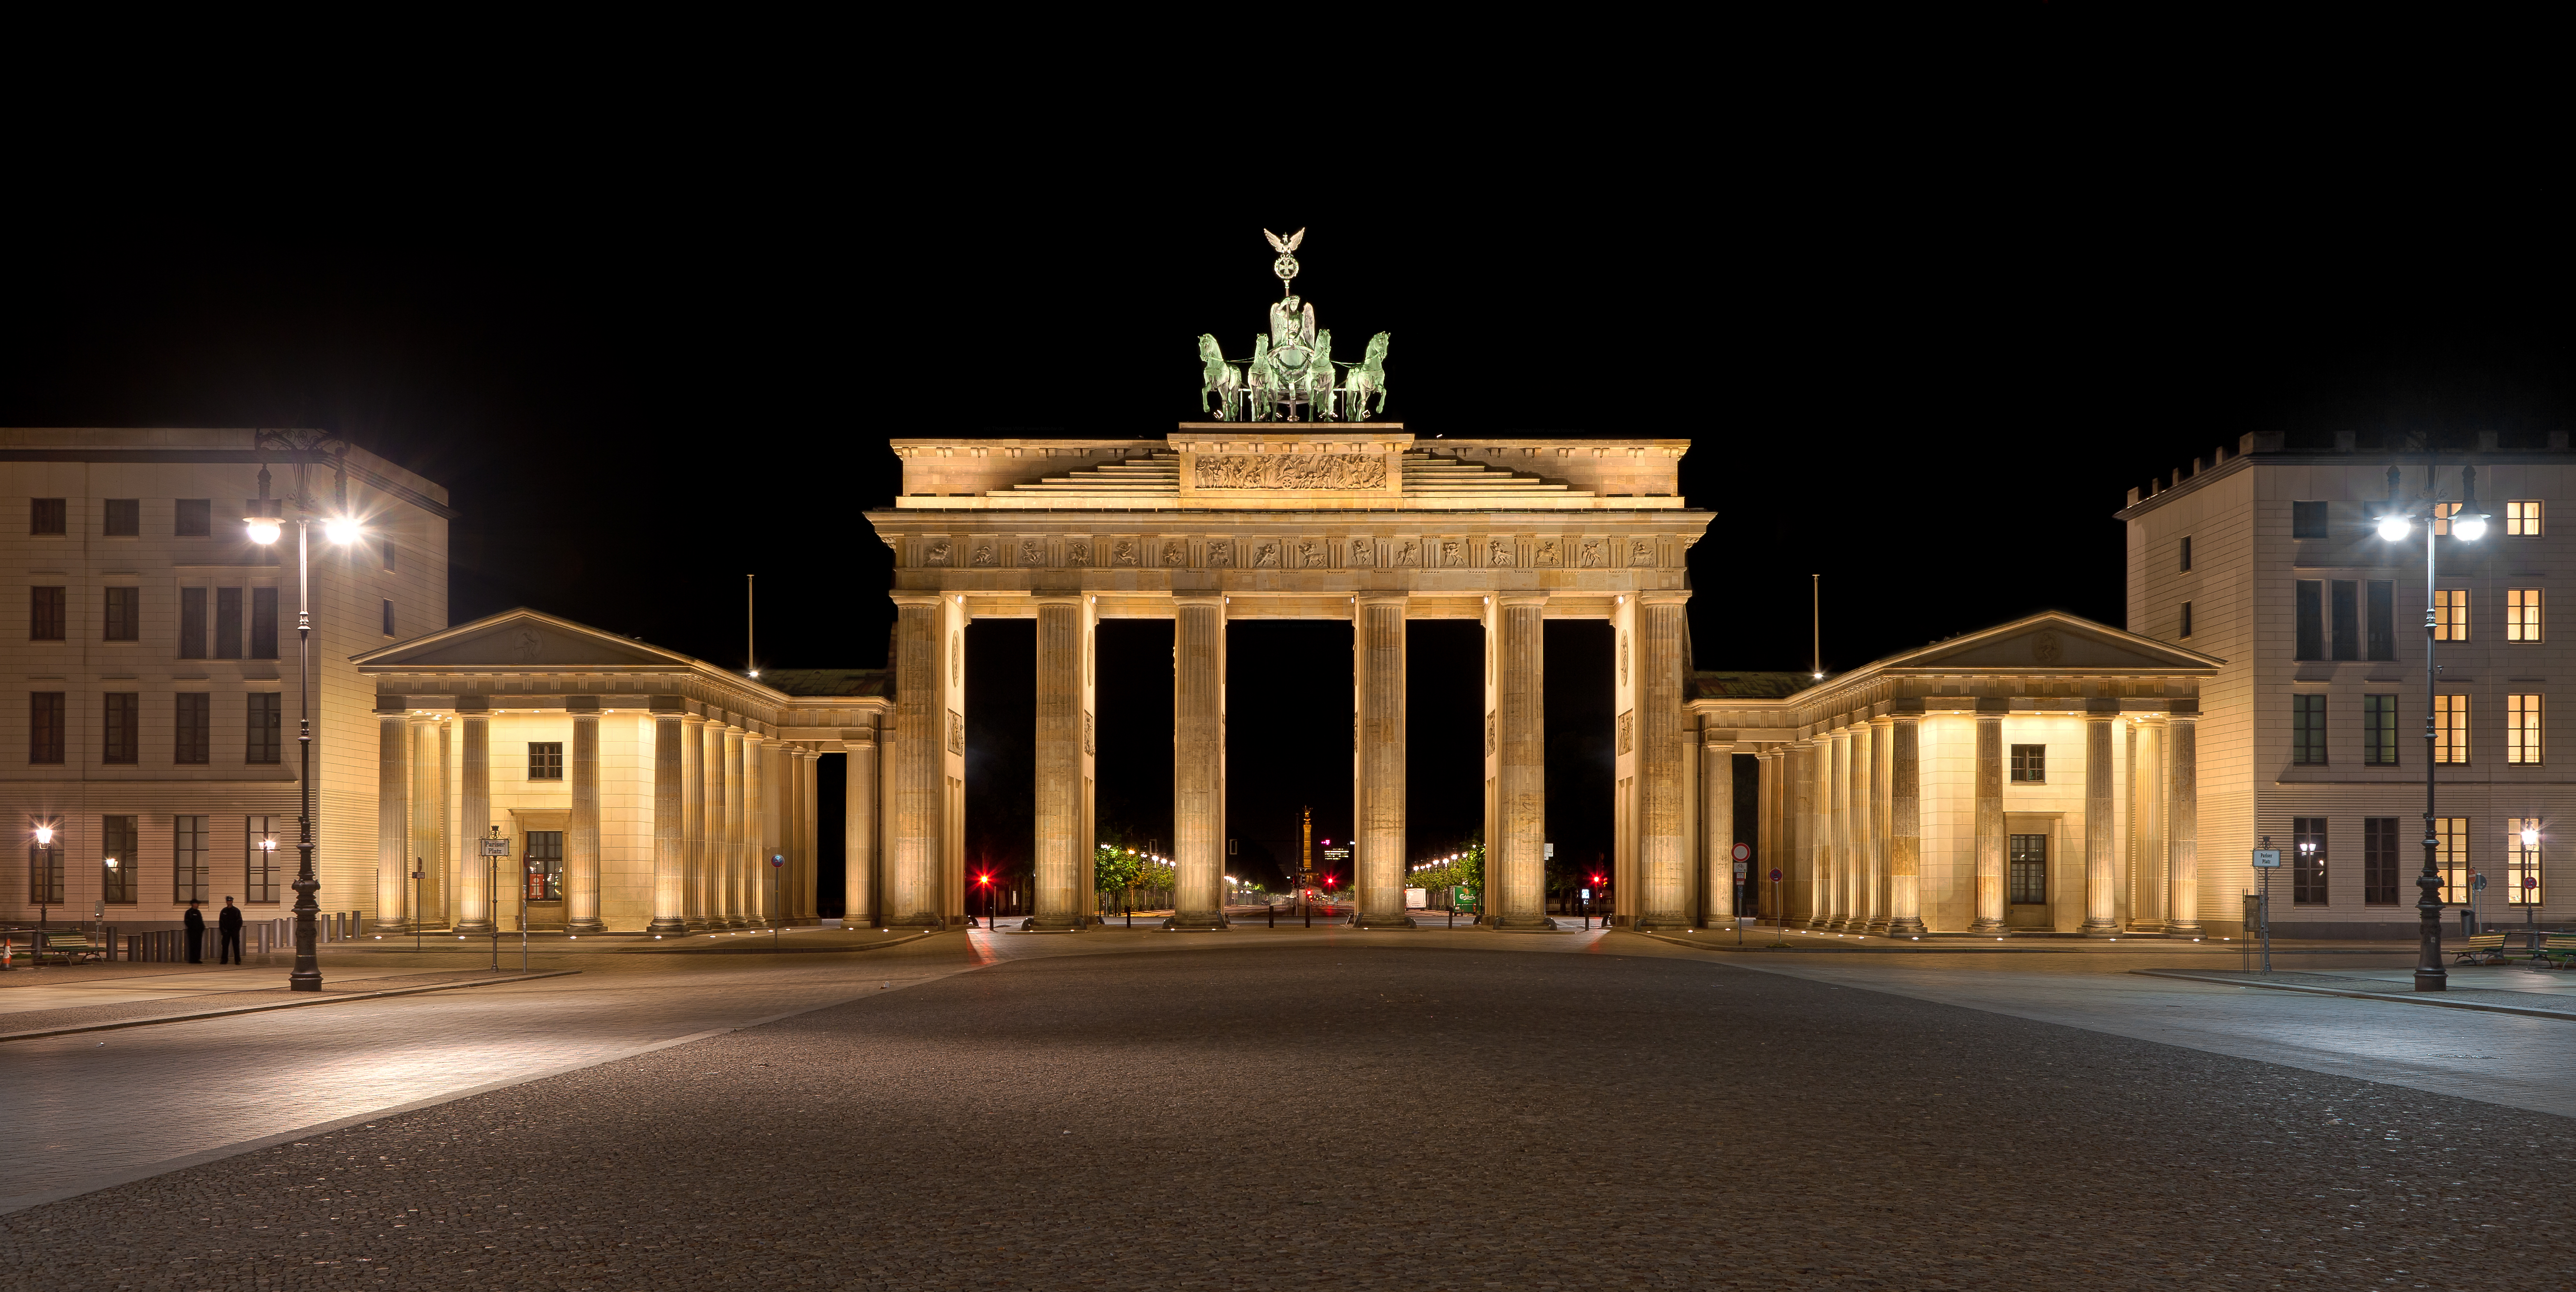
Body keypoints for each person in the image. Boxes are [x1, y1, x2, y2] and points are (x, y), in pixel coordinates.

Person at [218, 897, 244, 965]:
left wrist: (237, 930)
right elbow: (221, 922)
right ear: (226, 902)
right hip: (226, 932)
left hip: (234, 931)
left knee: (236, 946)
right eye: (228, 901)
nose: (229, 902)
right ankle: (224, 960)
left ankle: (237, 960)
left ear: (232, 902)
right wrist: (223, 931)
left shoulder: (236, 911)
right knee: (225, 946)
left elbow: (240, 921)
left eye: (230, 901)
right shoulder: (224, 911)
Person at [182, 900, 205, 964]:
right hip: (192, 932)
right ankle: (192, 959)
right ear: (193, 904)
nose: (198, 905)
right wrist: (192, 928)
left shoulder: (198, 912)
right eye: (196, 904)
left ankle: (197, 959)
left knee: (198, 946)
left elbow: (201, 921)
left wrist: (203, 928)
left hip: (199, 932)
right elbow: (187, 922)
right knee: (193, 945)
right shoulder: (189, 912)